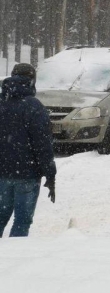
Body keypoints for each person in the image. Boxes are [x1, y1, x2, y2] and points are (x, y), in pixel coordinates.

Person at [0, 64, 56, 237]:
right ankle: (16, 257)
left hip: (2, 173)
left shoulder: (2, 104)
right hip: (27, 174)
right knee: (22, 221)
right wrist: (50, 174)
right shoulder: (34, 107)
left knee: (1, 217)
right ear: (32, 80)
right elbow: (43, 145)